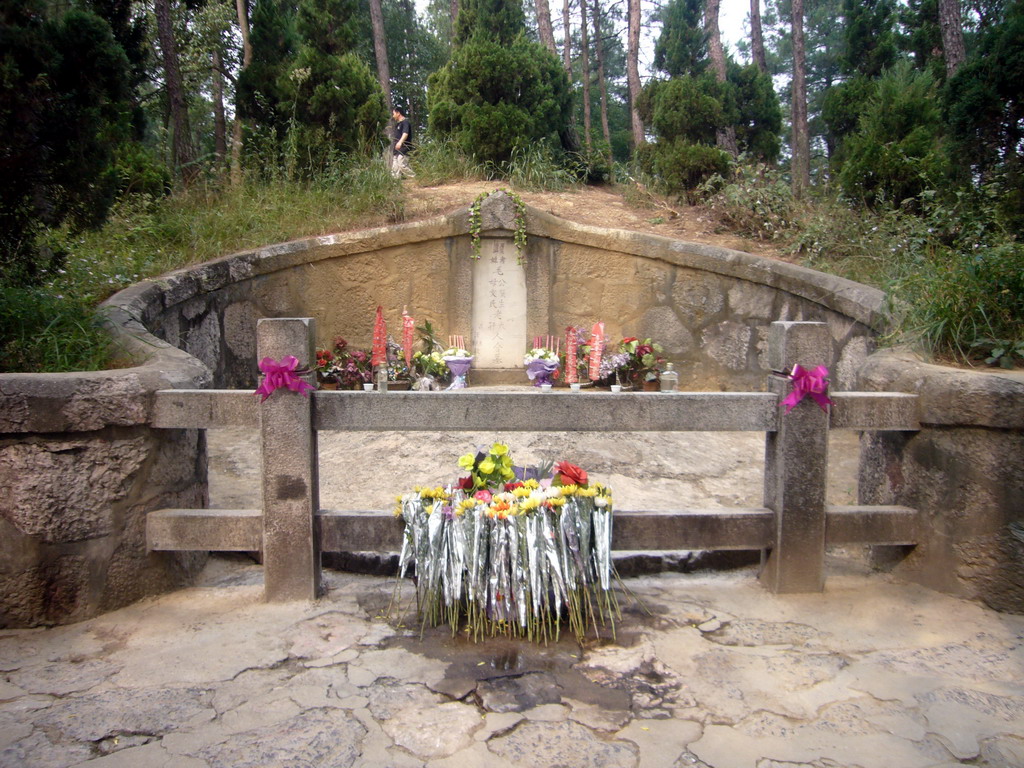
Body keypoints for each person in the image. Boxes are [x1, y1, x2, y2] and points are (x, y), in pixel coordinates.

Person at [390, 105, 414, 178]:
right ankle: (395, 184)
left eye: (394, 113)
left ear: (398, 113)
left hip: (404, 147)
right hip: (396, 149)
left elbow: (405, 133)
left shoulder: (405, 122)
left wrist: (400, 142)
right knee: (395, 168)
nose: (393, 116)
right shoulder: (398, 124)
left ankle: (415, 177)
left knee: (401, 163)